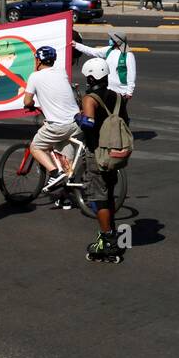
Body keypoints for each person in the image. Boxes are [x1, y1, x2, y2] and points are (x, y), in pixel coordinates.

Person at [76, 57, 130, 262]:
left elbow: (88, 124)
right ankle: (113, 233)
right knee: (109, 193)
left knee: (99, 197)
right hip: (115, 153)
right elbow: (126, 121)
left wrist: (78, 117)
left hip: (97, 153)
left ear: (91, 78)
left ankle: (108, 241)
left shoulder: (90, 98)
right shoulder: (117, 97)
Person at [23, 45, 82, 193]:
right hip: (76, 123)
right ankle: (66, 198)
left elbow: (27, 101)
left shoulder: (34, 76)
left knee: (35, 147)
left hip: (59, 126)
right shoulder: (62, 72)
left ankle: (55, 173)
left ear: (39, 60)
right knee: (65, 160)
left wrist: (31, 105)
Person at [73, 32, 136, 119]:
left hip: (121, 92)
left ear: (117, 41)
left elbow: (131, 74)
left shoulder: (128, 55)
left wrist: (129, 91)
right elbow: (92, 51)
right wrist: (76, 45)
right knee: (107, 114)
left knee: (120, 114)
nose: (110, 40)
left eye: (112, 39)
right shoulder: (109, 50)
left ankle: (122, 129)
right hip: (109, 89)